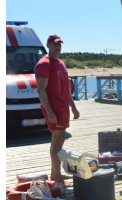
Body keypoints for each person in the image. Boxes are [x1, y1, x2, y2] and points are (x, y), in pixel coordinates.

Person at [35, 34, 80, 186]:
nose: (57, 47)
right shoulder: (43, 64)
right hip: (54, 108)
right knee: (58, 140)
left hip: (63, 108)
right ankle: (57, 177)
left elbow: (67, 88)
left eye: (59, 44)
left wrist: (73, 107)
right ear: (48, 45)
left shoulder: (61, 63)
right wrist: (49, 112)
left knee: (57, 140)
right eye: (54, 44)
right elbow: (41, 90)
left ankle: (55, 173)